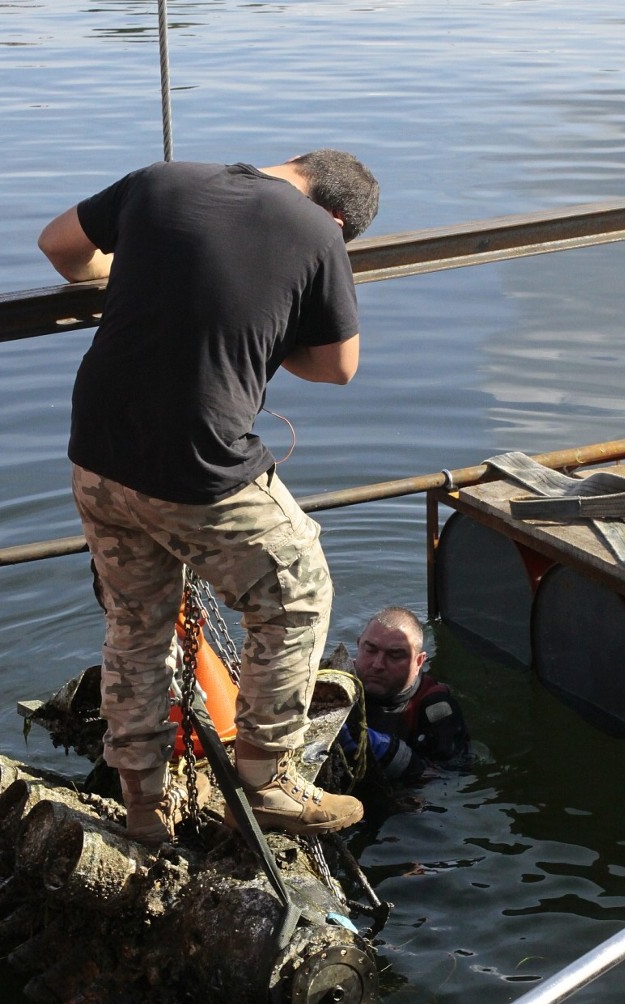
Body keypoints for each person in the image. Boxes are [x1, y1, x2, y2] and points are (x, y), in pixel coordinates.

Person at [38, 150, 380, 844]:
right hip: (194, 468)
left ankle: (143, 806)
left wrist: (139, 276)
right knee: (298, 586)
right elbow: (339, 366)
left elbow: (60, 249)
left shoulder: (160, 179)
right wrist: (270, 312)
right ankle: (265, 782)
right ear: (337, 218)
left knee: (136, 627)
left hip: (97, 454)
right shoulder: (316, 235)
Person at [344, 605, 469, 783]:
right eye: (370, 650)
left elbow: (450, 776)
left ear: (419, 661)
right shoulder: (332, 682)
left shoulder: (436, 709)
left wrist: (386, 751)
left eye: (395, 655)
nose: (378, 665)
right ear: (358, 645)